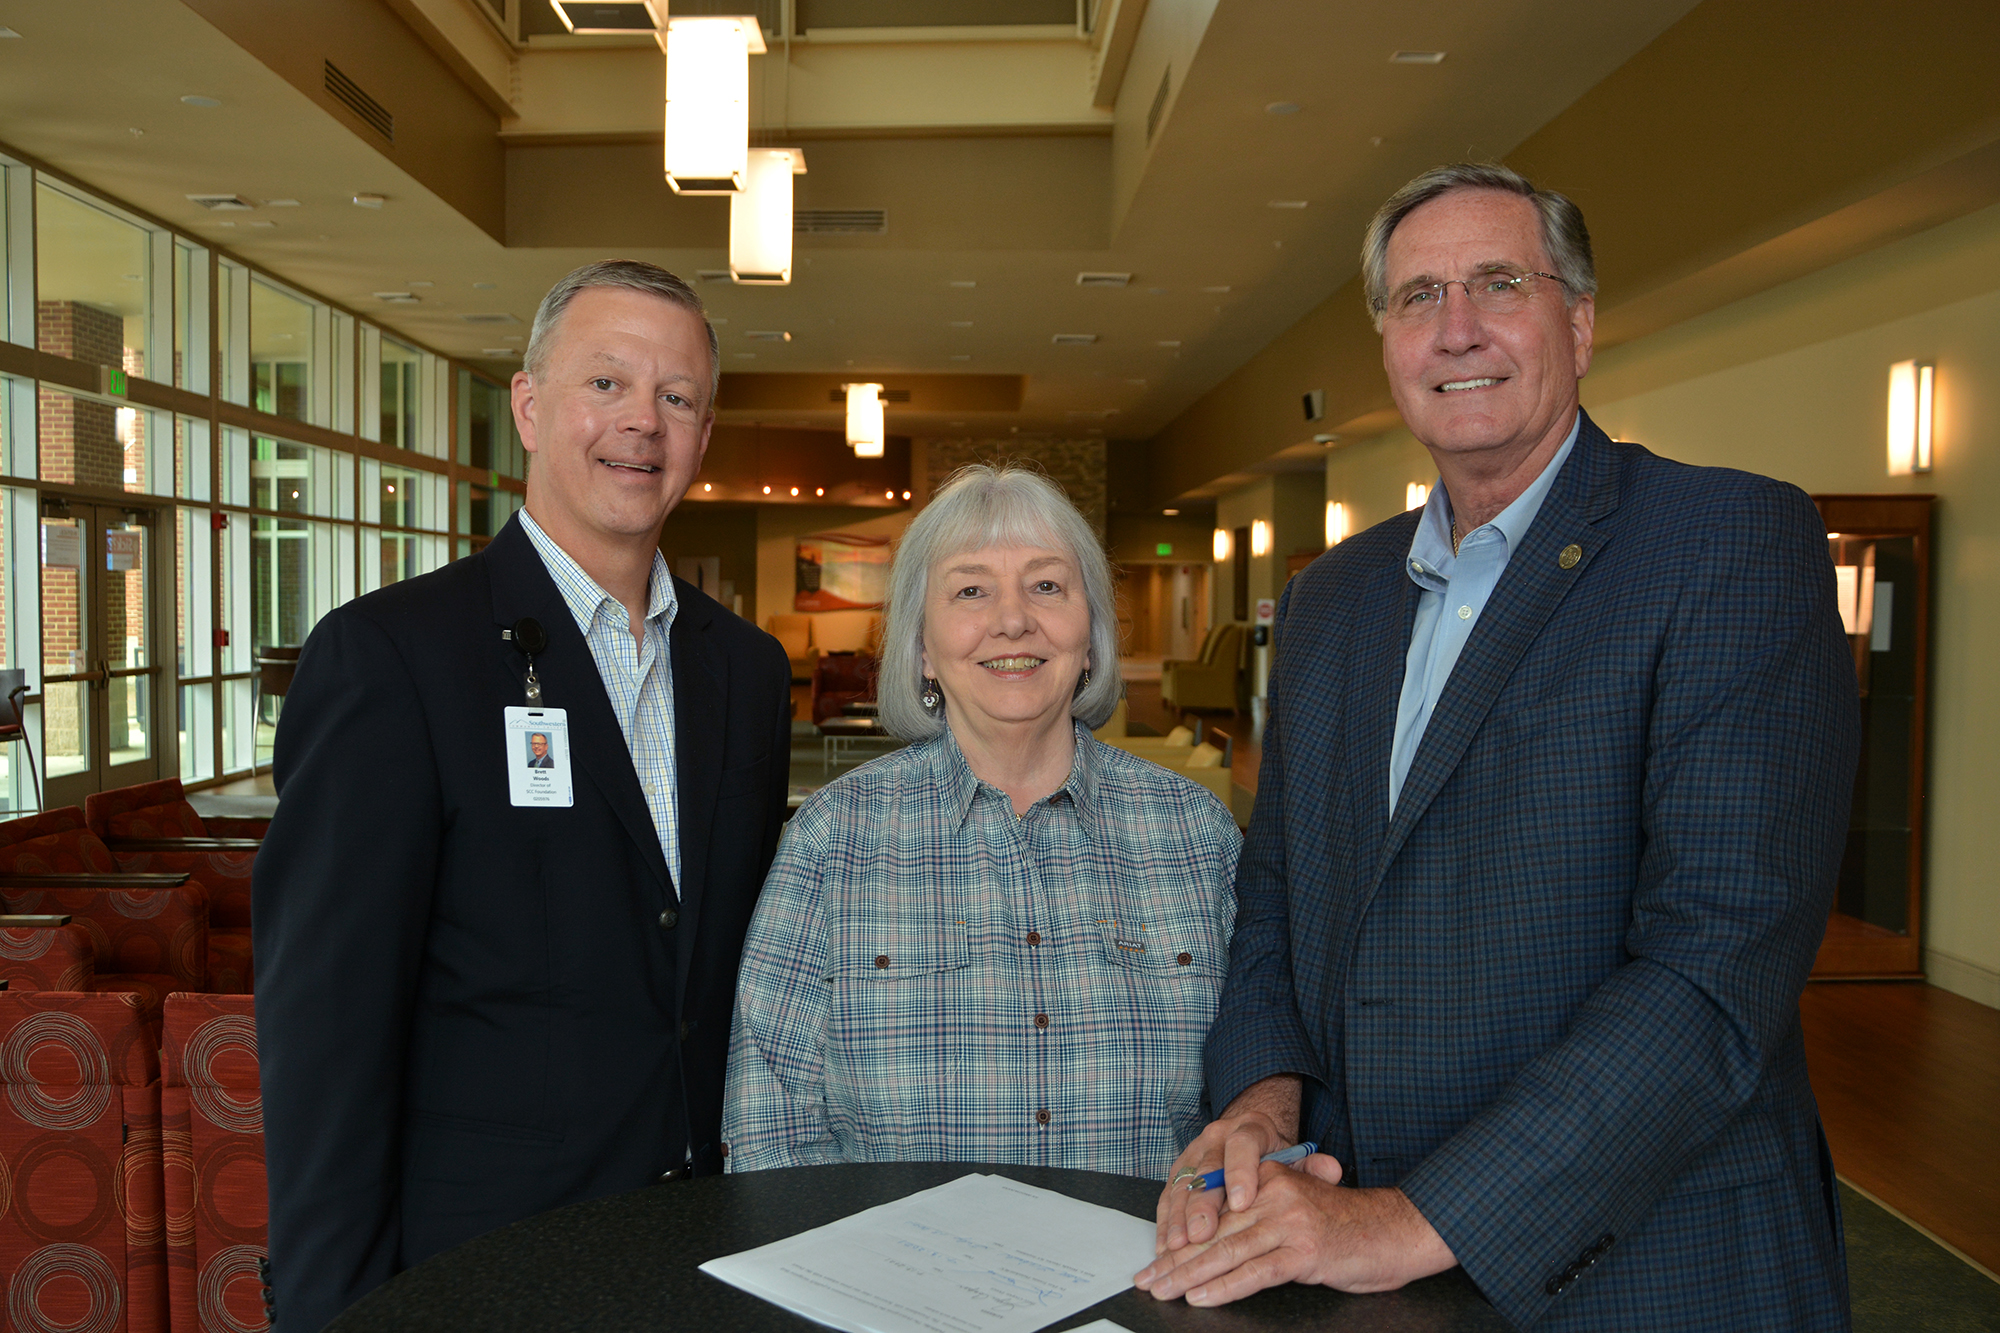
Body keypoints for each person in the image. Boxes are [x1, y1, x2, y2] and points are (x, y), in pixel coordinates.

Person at [1136, 164, 1860, 1330]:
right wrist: (1263, 1105)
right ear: (1386, 342)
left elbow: (1714, 962)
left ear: (1577, 323)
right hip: (1348, 1244)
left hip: (1644, 1266)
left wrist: (1410, 1220)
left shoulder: (1726, 541)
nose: (1455, 328)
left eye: (1498, 283)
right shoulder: (1331, 597)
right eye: (1416, 296)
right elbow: (1276, 892)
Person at [254, 260, 792, 1331]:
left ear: (703, 436)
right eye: (606, 382)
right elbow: (325, 1034)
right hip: (482, 1270)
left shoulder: (748, 670)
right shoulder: (390, 657)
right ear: (531, 406)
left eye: (677, 397)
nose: (642, 421)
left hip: (703, 1257)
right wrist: (331, 1312)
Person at [721, 464, 1241, 1178]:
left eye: (1047, 586)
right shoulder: (831, 838)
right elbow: (768, 1127)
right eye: (971, 590)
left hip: (1146, 1251)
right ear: (922, 648)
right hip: (890, 1253)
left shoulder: (1197, 835)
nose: (1012, 619)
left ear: (1091, 637)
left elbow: (1247, 1105)